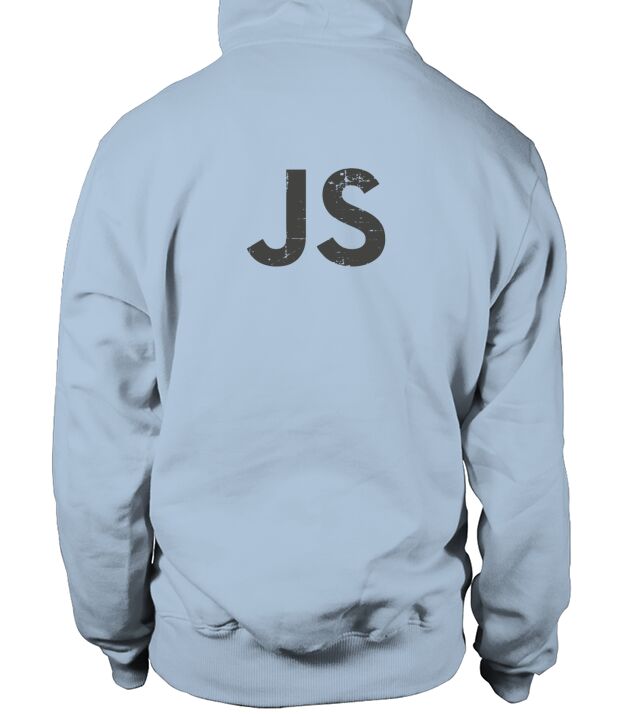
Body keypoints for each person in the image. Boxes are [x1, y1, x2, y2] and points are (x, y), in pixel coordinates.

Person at [52, 0, 571, 705]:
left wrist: (115, 628)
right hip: (416, 657)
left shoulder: (141, 150)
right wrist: (516, 646)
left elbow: (102, 427)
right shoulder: (494, 154)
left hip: (201, 651)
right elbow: (522, 445)